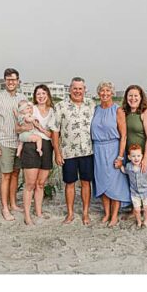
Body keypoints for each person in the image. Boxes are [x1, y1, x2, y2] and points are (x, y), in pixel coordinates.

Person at [52, 77, 95, 225]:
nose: (77, 91)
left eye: (80, 88)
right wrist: (57, 152)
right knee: (69, 183)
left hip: (88, 151)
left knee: (85, 183)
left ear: (84, 89)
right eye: (75, 88)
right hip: (68, 152)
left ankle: (85, 213)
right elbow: (55, 131)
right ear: (70, 89)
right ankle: (70, 213)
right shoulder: (60, 106)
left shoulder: (91, 105)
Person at [0, 68, 27, 221]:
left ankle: (13, 203)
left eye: (14, 79)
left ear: (18, 81)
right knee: (6, 176)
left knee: (16, 174)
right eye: (8, 79)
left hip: (20, 142)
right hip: (4, 142)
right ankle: (4, 208)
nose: (11, 82)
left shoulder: (22, 98)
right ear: (5, 81)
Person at [92, 81, 131, 227]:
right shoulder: (95, 109)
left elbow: (124, 136)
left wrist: (120, 156)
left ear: (112, 93)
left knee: (115, 183)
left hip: (113, 148)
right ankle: (106, 213)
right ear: (98, 93)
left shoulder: (118, 110)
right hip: (98, 149)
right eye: (102, 91)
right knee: (101, 182)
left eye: (108, 91)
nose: (105, 93)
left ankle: (114, 216)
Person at [20, 85, 56, 225]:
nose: (41, 96)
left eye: (43, 93)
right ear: (35, 96)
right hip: (31, 145)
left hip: (46, 146)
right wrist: (37, 129)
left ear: (47, 95)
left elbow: (50, 134)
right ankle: (27, 215)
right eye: (38, 94)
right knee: (30, 184)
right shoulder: (31, 108)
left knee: (40, 183)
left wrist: (40, 127)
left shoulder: (52, 111)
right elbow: (21, 124)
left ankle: (39, 211)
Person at [120, 85, 147, 208]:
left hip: (145, 152)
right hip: (131, 154)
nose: (133, 98)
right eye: (130, 96)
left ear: (141, 97)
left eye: (136, 96)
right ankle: (135, 209)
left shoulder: (145, 112)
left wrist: (146, 158)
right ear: (126, 97)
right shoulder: (125, 112)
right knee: (134, 180)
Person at [121, 144, 147, 227]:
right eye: (133, 156)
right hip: (135, 193)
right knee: (137, 209)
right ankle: (139, 222)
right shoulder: (128, 166)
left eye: (138, 156)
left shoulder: (144, 165)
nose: (136, 158)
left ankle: (146, 221)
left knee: (146, 208)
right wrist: (120, 166)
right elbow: (124, 171)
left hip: (146, 191)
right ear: (129, 157)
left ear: (142, 156)